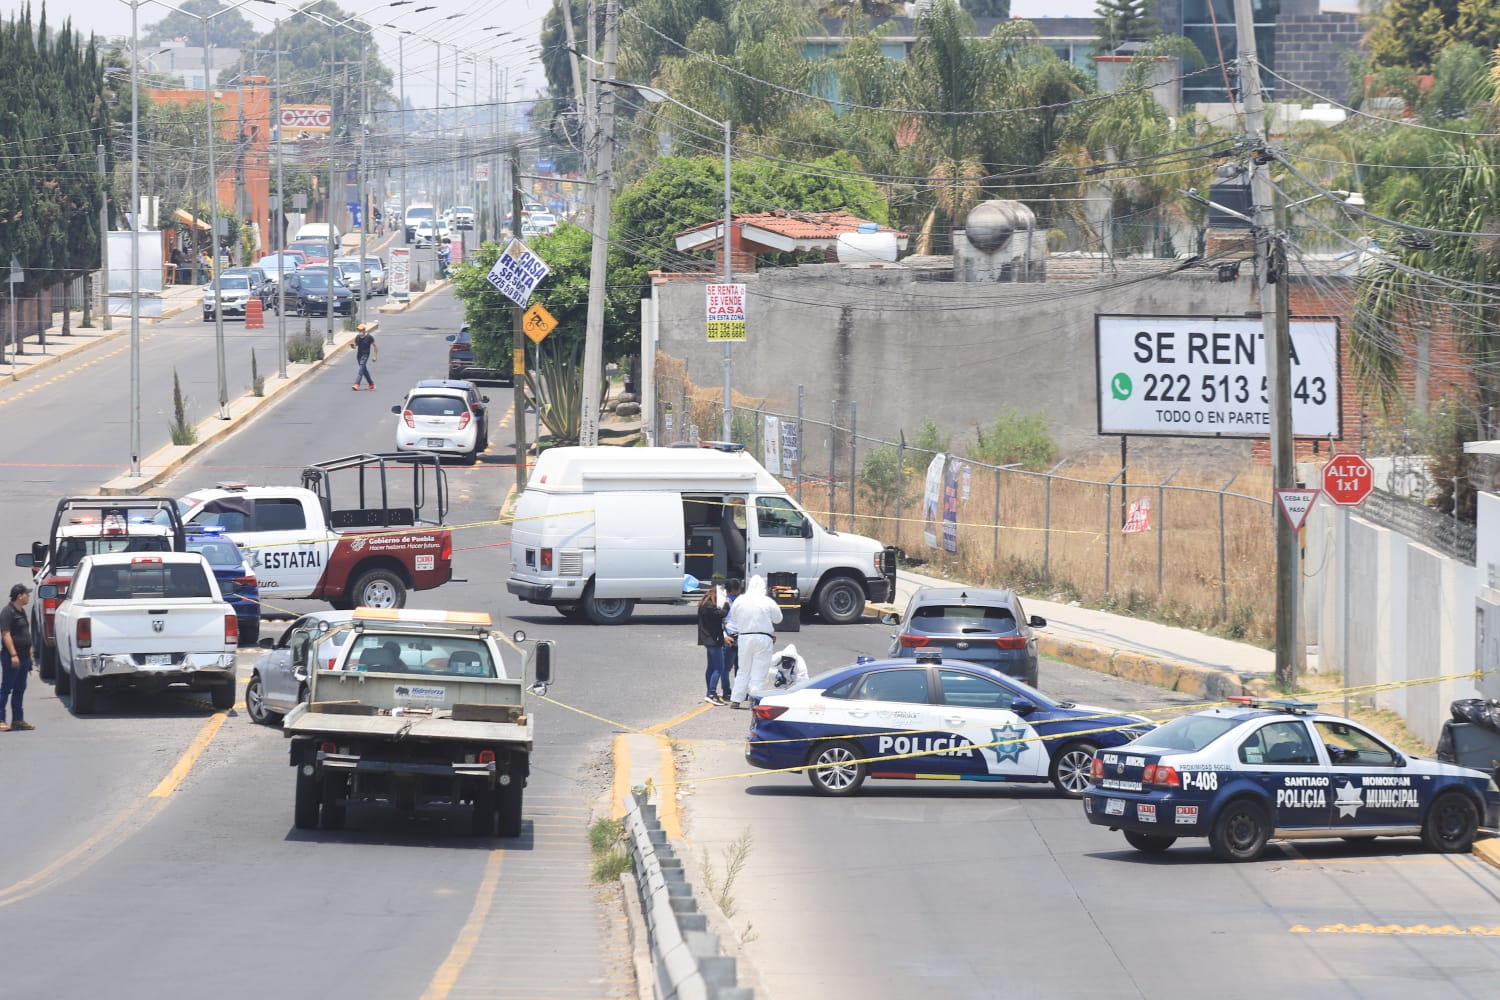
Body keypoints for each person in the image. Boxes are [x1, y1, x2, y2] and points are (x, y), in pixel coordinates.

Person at [726, 575, 782, 708]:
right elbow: (778, 618)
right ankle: (754, 699)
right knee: (759, 671)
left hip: (744, 637)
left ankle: (736, 699)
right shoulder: (767, 601)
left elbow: (734, 617)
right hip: (763, 638)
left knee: (743, 670)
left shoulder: (740, 600)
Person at [1, 583, 35, 732]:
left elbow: (24, 634)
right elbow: (6, 634)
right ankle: (1, 719)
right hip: (12, 657)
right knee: (6, 688)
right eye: (26, 594)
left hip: (24, 657)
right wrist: (13, 654)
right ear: (19, 596)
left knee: (20, 688)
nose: (28, 596)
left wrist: (29, 653)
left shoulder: (21, 611)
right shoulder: (7, 612)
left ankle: (17, 720)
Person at [697, 586, 730, 706]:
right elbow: (722, 614)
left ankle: (709, 692)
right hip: (714, 640)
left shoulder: (703, 605)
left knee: (711, 667)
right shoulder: (710, 606)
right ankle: (712, 694)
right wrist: (726, 604)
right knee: (719, 668)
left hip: (707, 640)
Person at [721, 577, 742, 695]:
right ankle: (726, 690)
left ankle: (739, 691)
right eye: (737, 590)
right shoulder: (723, 602)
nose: (738, 592)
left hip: (742, 636)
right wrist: (724, 636)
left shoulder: (742, 601)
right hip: (729, 637)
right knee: (726, 668)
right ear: (731, 591)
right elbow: (719, 621)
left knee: (740, 668)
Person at [351, 322, 377, 390]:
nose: (359, 332)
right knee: (364, 370)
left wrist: (375, 356)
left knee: (361, 370)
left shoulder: (369, 337)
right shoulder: (357, 337)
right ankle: (371, 384)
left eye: (361, 330)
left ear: (364, 330)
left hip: (365, 355)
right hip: (359, 356)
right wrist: (353, 346)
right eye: (359, 330)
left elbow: (375, 346)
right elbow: (355, 345)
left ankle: (356, 384)